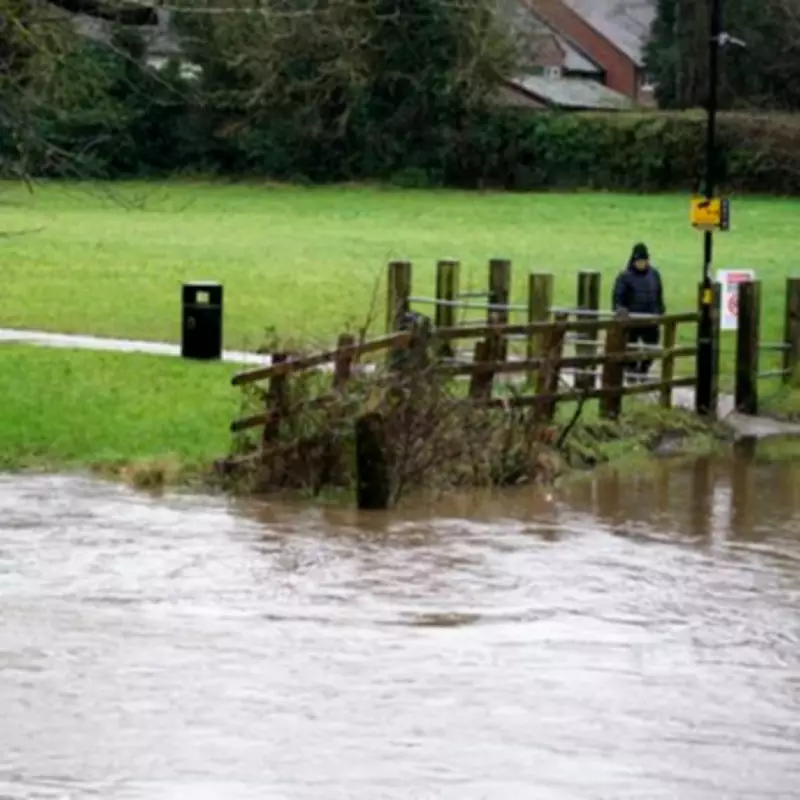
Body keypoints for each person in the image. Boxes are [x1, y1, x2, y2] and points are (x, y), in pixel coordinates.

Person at [612, 242, 665, 380]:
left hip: (651, 320)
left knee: (652, 348)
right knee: (630, 348)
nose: (642, 264)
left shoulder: (654, 275)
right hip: (632, 321)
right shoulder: (624, 277)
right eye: (639, 261)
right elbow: (618, 298)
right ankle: (631, 372)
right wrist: (621, 311)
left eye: (644, 261)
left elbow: (658, 295)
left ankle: (642, 371)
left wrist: (660, 311)